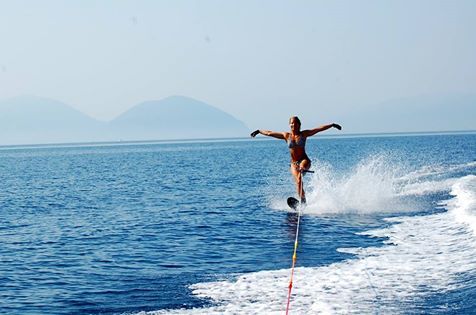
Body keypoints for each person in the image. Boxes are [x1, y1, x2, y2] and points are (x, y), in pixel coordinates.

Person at [250, 116, 342, 204]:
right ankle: (303, 201)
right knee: (298, 182)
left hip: (304, 160)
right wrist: (259, 131)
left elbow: (318, 129)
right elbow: (269, 133)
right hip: (294, 164)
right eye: (291, 123)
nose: (292, 125)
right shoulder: (286, 136)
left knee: (299, 176)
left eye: (294, 123)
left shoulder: (304, 134)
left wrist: (332, 125)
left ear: (298, 124)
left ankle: (302, 198)